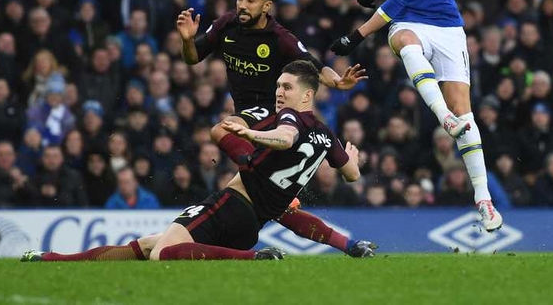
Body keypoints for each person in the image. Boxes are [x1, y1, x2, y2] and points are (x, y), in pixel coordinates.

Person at [22, 61, 376, 262]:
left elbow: (283, 137)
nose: (279, 92)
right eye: (279, 86)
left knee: (162, 253)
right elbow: (351, 174)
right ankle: (50, 260)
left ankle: (255, 259)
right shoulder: (326, 135)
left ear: (308, 95)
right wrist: (353, 160)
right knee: (147, 246)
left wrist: (251, 137)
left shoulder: (289, 120)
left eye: (287, 87)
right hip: (252, 224)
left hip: (229, 204)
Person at [329, 0, 503, 231]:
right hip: (408, 23)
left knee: (466, 114)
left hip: (446, 26)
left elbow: (394, 2)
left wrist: (357, 35)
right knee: (406, 44)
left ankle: (483, 198)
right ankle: (444, 118)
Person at [175, 0, 368, 256]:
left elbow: (312, 66)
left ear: (266, 6)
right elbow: (192, 58)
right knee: (272, 206)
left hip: (274, 111)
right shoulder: (226, 24)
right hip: (248, 114)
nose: (242, 5)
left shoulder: (280, 38)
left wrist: (337, 82)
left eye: (251, 0)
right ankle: (350, 245)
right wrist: (188, 40)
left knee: (221, 131)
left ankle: (257, 175)